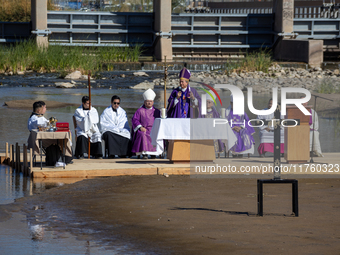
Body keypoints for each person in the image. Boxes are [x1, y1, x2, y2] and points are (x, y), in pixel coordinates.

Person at [131, 89, 162, 159]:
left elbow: (160, 120)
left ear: (153, 102)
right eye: (147, 101)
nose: (149, 103)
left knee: (157, 134)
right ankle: (144, 153)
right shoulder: (140, 110)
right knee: (143, 134)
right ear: (144, 102)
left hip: (153, 129)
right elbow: (134, 119)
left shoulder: (156, 111)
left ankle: (154, 153)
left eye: (150, 101)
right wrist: (140, 127)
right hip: (143, 128)